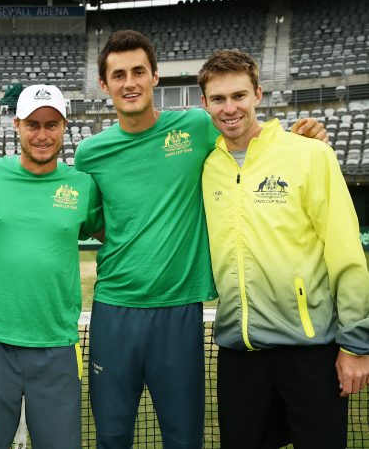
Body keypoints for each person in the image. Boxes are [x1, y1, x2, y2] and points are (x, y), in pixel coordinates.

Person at [74, 30, 328, 449]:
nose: (130, 82)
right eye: (118, 74)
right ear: (104, 84)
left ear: (156, 77)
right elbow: (98, 223)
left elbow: (250, 137)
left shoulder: (195, 125)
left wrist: (302, 140)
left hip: (179, 311)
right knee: (112, 435)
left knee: (184, 436)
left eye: (139, 71)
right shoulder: (90, 153)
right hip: (114, 309)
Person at [198, 49, 369, 449]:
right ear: (204, 103)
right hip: (239, 354)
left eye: (239, 96)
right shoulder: (207, 166)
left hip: (310, 353)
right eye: (218, 99)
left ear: (258, 93)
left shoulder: (310, 154)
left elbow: (346, 255)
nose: (229, 108)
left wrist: (357, 345)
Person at [0, 84, 102, 449]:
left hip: (56, 346)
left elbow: (113, 233)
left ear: (64, 127)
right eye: (33, 124)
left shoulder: (82, 186)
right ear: (17, 125)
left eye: (52, 125)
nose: (42, 135)